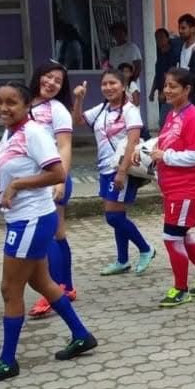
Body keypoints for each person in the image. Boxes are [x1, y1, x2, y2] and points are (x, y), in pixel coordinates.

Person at [0, 82, 97, 385]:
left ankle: (7, 361)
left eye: (11, 103)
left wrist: (16, 185)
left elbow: (57, 173)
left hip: (30, 221)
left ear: (27, 105)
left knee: (9, 290)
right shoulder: (11, 132)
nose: (3, 108)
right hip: (22, 219)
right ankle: (81, 335)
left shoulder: (33, 133)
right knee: (41, 281)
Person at [151, 68, 195, 306]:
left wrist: (165, 156)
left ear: (187, 89)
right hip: (172, 189)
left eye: (173, 86)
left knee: (172, 238)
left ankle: (181, 289)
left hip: (186, 190)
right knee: (182, 236)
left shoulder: (194, 118)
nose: (167, 90)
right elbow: (166, 143)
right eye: (166, 85)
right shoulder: (173, 114)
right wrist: (147, 151)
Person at [72, 71, 155, 276]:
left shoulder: (130, 110)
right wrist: (79, 99)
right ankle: (122, 260)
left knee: (113, 216)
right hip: (104, 168)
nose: (108, 87)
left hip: (121, 169)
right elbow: (78, 120)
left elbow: (133, 142)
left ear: (123, 86)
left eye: (113, 83)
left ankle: (146, 249)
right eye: (104, 84)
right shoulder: (102, 109)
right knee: (118, 214)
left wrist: (122, 171)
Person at [25, 61, 78, 318]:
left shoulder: (57, 109)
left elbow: (65, 146)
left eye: (58, 81)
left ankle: (53, 292)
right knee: (57, 234)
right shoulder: (24, 104)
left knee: (48, 236)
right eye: (48, 77)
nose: (51, 83)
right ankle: (66, 287)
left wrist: (60, 180)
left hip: (51, 180)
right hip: (32, 180)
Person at [149, 27, 181, 127]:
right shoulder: (159, 55)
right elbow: (158, 74)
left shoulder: (173, 55)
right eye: (157, 38)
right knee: (163, 121)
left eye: (161, 37)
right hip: (161, 94)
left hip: (170, 93)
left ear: (167, 38)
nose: (159, 40)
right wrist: (152, 91)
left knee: (166, 120)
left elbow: (171, 76)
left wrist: (164, 92)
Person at [177, 14, 195, 108]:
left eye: (183, 28)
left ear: (193, 29)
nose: (180, 31)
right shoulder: (181, 46)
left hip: (192, 96)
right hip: (181, 94)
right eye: (179, 28)